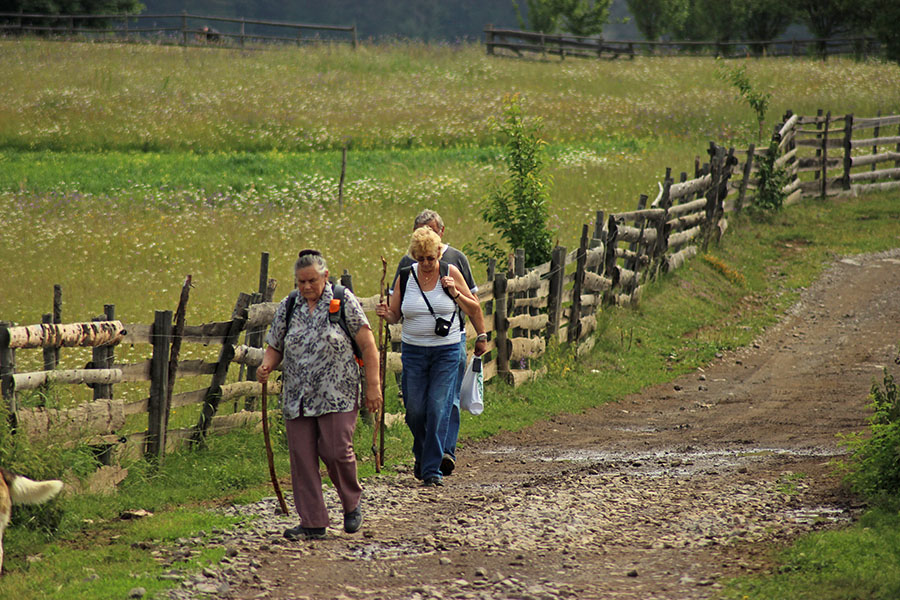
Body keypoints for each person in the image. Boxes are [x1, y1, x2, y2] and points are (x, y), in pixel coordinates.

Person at [257, 249, 382, 540]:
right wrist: (266, 365)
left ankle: (352, 503)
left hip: (337, 392)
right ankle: (312, 521)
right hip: (297, 396)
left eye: (311, 280)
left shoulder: (342, 300)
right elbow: (275, 346)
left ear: (325, 276)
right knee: (302, 457)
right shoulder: (290, 305)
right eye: (301, 282)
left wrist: (373, 386)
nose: (306, 287)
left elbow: (367, 345)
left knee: (336, 451)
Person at [376, 227, 486, 487]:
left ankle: (431, 469)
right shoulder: (405, 276)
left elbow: (475, 307)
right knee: (414, 410)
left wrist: (455, 293)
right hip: (413, 351)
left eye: (430, 258)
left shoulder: (451, 273)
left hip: (445, 351)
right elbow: (395, 315)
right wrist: (385, 314)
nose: (426, 264)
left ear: (439, 254)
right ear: (414, 256)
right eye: (421, 258)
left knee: (438, 407)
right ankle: (423, 453)